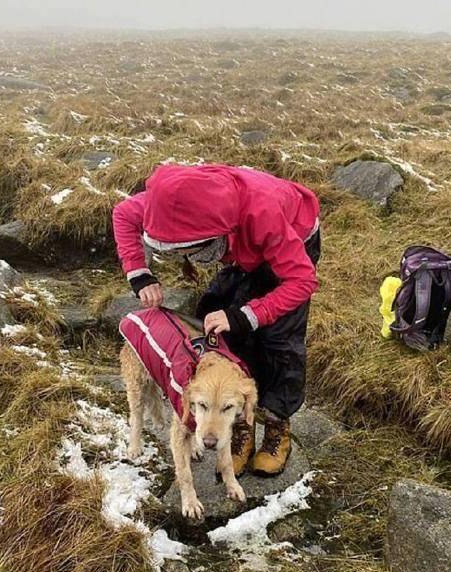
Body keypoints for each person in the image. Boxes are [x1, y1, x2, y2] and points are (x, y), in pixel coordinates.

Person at [112, 163, 320, 476]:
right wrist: (139, 273)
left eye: (193, 253)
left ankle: (278, 425)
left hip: (291, 238)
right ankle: (240, 425)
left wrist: (244, 315)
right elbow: (124, 214)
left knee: (279, 339)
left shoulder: (262, 213)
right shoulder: (170, 203)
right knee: (217, 322)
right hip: (239, 242)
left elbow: (302, 282)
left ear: (214, 239)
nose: (188, 261)